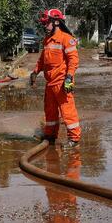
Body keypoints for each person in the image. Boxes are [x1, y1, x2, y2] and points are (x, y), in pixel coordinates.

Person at [30, 9, 81, 146]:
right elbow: (42, 59)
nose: (45, 27)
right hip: (50, 83)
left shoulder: (66, 39)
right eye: (44, 24)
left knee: (67, 111)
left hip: (63, 82)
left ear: (56, 22)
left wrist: (69, 78)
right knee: (50, 112)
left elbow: (73, 61)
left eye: (47, 24)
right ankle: (50, 135)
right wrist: (35, 72)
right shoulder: (47, 40)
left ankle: (74, 139)